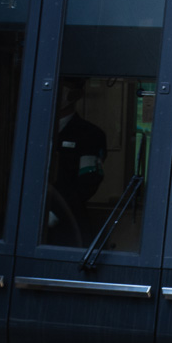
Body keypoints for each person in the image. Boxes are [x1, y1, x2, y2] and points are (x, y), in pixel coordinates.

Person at [47, 80, 107, 244]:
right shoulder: (36, 128)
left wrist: (55, 213)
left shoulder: (90, 134)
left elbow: (88, 182)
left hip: (67, 222)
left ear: (75, 95)